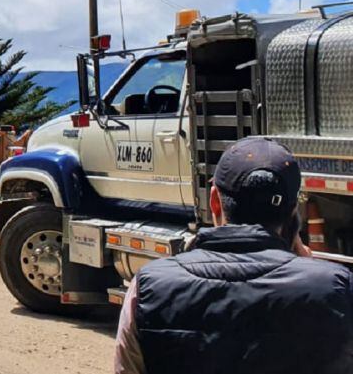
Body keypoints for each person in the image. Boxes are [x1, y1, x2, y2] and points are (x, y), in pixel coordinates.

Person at [114, 137, 353, 374]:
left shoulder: (147, 287)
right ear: (293, 211)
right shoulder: (338, 289)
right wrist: (317, 281)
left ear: (215, 202)